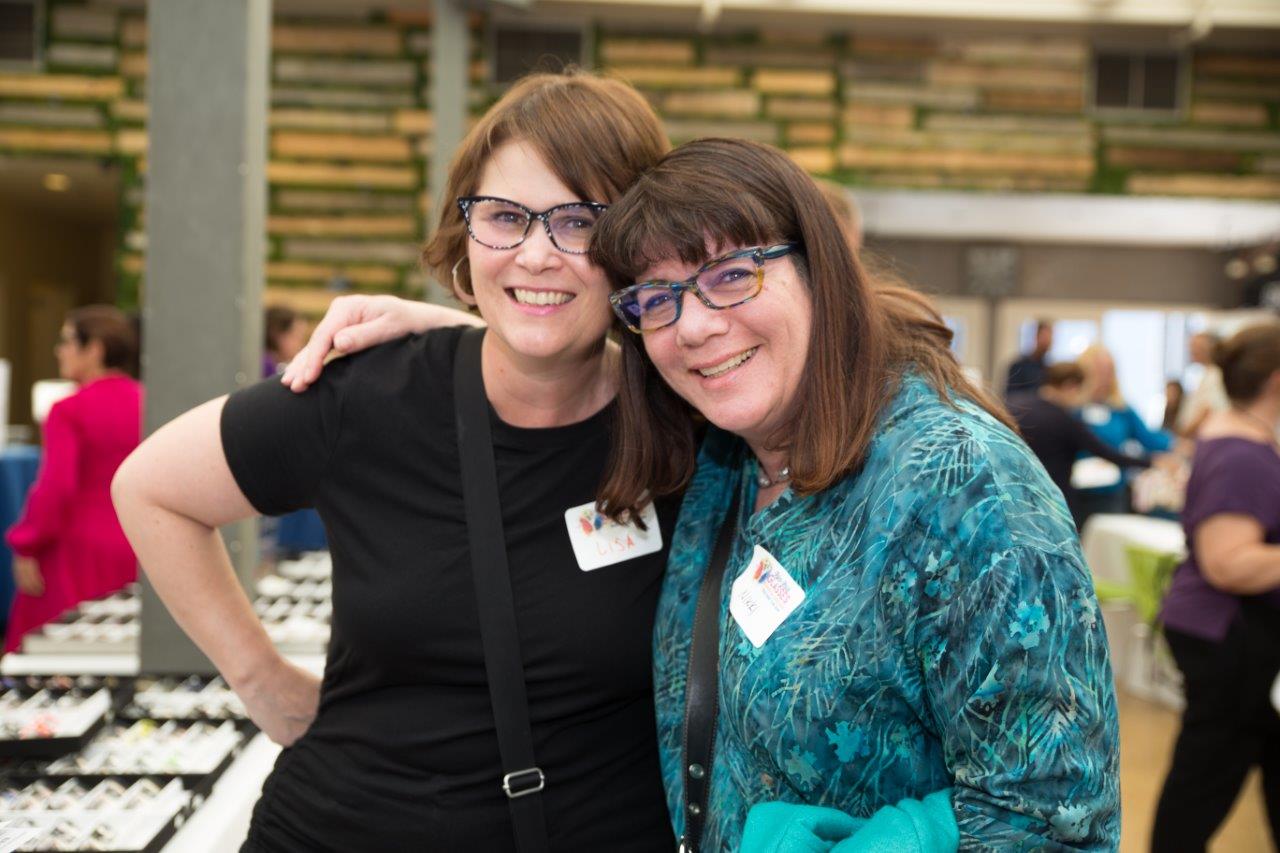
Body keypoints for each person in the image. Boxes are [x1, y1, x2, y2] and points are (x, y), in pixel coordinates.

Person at [112, 71, 678, 851]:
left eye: (580, 222)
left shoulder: (685, 422)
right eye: (506, 217)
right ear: (466, 228)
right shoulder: (372, 394)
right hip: (343, 825)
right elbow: (149, 488)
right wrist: (263, 682)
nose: (537, 253)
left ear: (638, 242)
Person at [588, 138, 1119, 850]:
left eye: (732, 275)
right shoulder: (725, 457)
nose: (693, 325)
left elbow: (1059, 816)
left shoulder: (960, 483)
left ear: (820, 269)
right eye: (657, 298)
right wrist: (449, 346)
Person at [1152, 323, 1280, 851]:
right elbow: (1228, 562)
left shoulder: (1238, 437)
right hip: (1228, 634)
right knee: (1206, 774)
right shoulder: (1241, 453)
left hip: (1230, 633)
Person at [5, 306, 141, 653]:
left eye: (66, 341)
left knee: (45, 658)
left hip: (75, 554)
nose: (58, 350)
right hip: (137, 546)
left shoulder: (69, 410)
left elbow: (56, 486)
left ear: (94, 348)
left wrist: (27, 544)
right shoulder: (148, 403)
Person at [1008, 362, 1153, 528]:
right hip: (1052, 504)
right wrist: (1150, 462)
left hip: (1016, 498)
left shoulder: (1015, 405)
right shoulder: (1064, 420)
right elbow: (1106, 453)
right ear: (1071, 387)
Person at [1074, 343, 1174, 521]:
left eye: (1109, 370)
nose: (1104, 376)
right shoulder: (1072, 408)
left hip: (1111, 493)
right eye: (1098, 370)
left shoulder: (1121, 409)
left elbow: (1150, 439)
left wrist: (1179, 444)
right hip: (1074, 492)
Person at [1176, 331, 1229, 438]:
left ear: (1212, 348)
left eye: (1197, 346)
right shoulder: (1206, 374)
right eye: (1191, 346)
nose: (1192, 350)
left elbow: (1208, 410)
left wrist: (1185, 433)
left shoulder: (1216, 375)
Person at [1004, 319, 1052, 398]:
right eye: (1045, 336)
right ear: (1036, 337)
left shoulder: (1048, 368)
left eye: (1050, 337)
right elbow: (1011, 394)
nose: (1048, 341)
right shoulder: (1019, 366)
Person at [262, 306, 308, 378]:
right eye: (298, 336)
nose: (303, 344)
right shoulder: (266, 366)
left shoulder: (272, 364)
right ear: (277, 334)